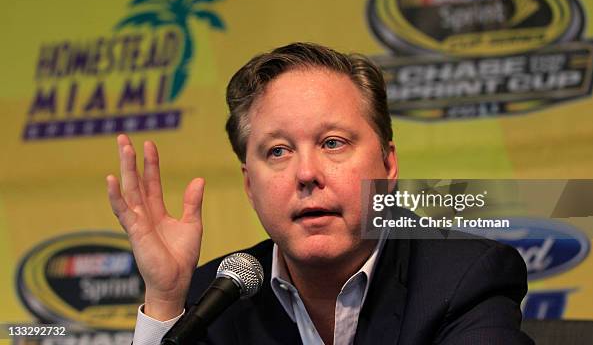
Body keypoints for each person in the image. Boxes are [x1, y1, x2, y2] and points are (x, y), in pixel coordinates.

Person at [107, 42, 534, 344]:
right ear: (249, 185)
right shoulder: (214, 298)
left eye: (332, 143)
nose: (306, 173)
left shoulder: (465, 278)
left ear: (388, 165)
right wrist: (165, 302)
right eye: (278, 151)